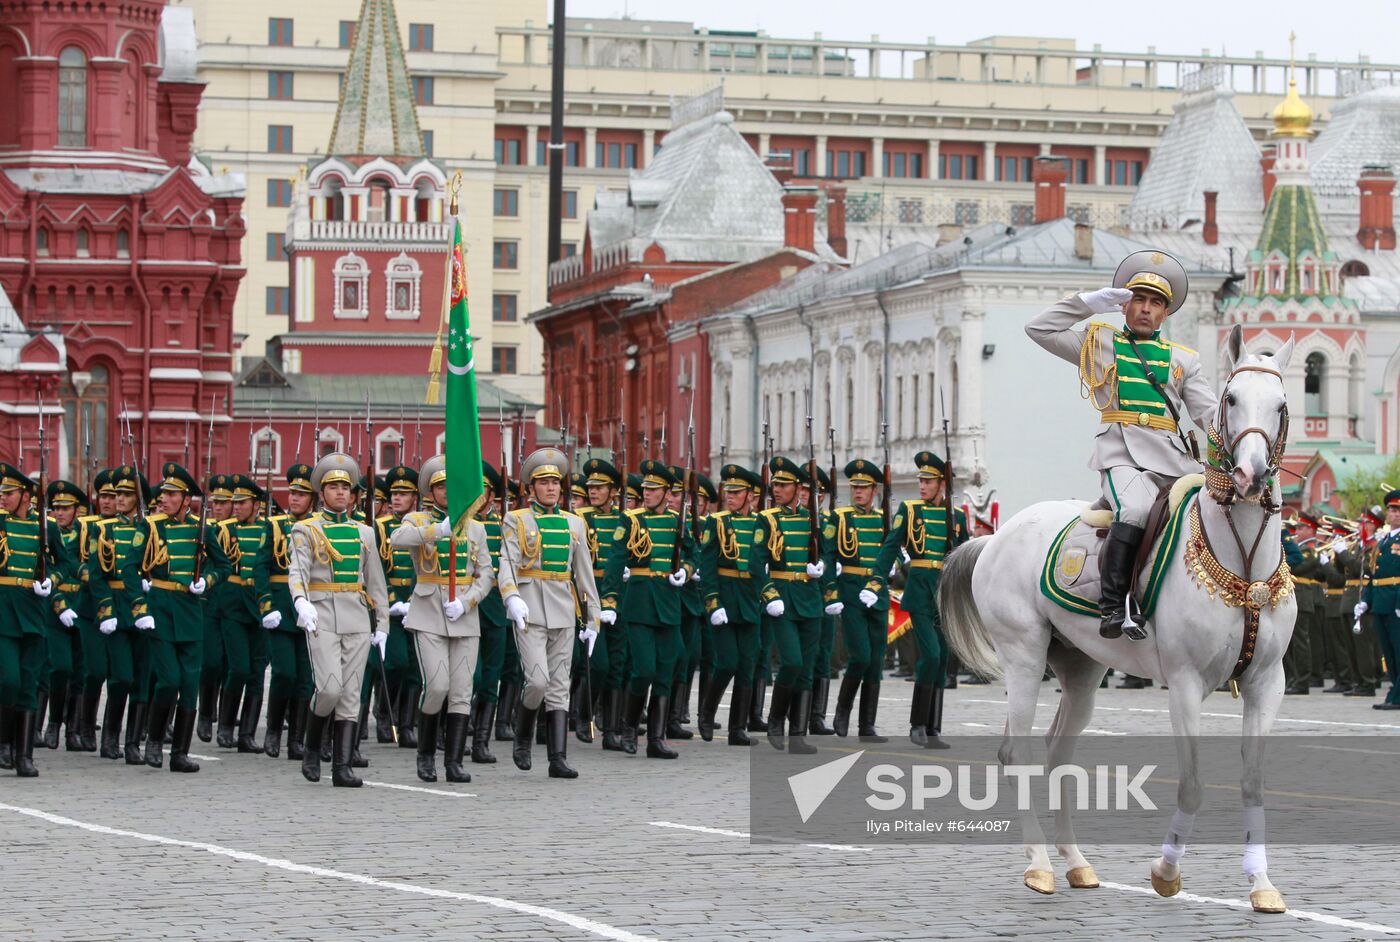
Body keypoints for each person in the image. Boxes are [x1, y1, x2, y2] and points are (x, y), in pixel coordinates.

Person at [1026, 249, 1217, 641]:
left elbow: (1210, 417)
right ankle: (1113, 605)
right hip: (1122, 455)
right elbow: (1038, 329)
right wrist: (1086, 304)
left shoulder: (1184, 360)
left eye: (1156, 303)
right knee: (1133, 509)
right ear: (1124, 305)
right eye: (1139, 300)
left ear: (1166, 313)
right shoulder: (1099, 344)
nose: (1146, 309)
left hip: (1173, 460)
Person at [286, 452, 390, 787]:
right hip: (322, 613)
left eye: (346, 487)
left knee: (351, 694)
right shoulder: (305, 529)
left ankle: (342, 766)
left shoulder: (364, 532)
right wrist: (301, 601)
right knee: (329, 688)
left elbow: (376, 583)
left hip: (357, 615)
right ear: (322, 492)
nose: (341, 492)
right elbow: (297, 571)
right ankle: (313, 747)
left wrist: (383, 626)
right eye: (333, 486)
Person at [498, 448, 602, 777]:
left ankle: (557, 758)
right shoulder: (516, 519)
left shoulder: (574, 523)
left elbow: (584, 574)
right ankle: (523, 735)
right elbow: (507, 564)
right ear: (531, 488)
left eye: (555, 482)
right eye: (544, 483)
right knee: (538, 681)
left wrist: (592, 617)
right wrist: (511, 597)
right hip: (528, 608)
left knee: (559, 684)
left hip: (562, 607)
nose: (551, 488)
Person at [131, 462, 233, 771]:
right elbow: (128, 567)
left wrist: (207, 581)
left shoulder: (202, 528)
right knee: (168, 680)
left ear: (187, 499)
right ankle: (153, 740)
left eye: (172, 494)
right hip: (160, 609)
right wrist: (140, 606)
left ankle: (179, 753)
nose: (164, 498)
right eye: (163, 493)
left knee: (189, 683)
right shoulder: (150, 526)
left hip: (190, 612)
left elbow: (223, 565)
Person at [600, 459, 693, 759]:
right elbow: (615, 560)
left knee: (668, 668)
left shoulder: (678, 521)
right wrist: (610, 600)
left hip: (668, 603)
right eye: (646, 489)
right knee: (643, 670)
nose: (647, 493)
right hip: (639, 604)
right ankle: (628, 727)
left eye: (654, 489)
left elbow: (695, 554)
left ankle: (656, 738)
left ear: (668, 493)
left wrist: (687, 571)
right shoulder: (631, 519)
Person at [874, 451, 968, 748]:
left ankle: (933, 728)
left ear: (943, 483)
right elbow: (891, 544)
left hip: (945, 594)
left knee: (940, 660)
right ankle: (917, 725)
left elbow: (963, 556)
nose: (922, 486)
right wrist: (877, 577)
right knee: (931, 655)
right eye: (921, 480)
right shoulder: (910, 509)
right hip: (919, 592)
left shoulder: (958, 517)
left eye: (929, 481)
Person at [751, 457, 834, 755]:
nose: (777, 489)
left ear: (799, 489)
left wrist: (821, 568)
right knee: (792, 662)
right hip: (782, 599)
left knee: (807, 668)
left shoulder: (815, 520)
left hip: (810, 598)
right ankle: (775, 720)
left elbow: (827, 555)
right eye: (775, 484)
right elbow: (754, 561)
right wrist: (768, 593)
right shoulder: (767, 519)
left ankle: (798, 734)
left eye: (783, 485)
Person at [0, 463, 74, 776]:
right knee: (8, 680)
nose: (3, 498)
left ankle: (25, 754)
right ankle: (4, 742)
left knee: (29, 683)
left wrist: (51, 582)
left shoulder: (45, 527)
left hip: (32, 612)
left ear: (27, 496)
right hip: (3, 611)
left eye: (10, 493)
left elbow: (66, 564)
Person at [88, 466, 156, 764]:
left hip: (146, 609)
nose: (119, 499)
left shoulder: (152, 528)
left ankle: (132, 744)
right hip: (117, 607)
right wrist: (105, 611)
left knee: (143, 677)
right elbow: (95, 575)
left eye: (127, 494)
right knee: (122, 676)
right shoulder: (103, 530)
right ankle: (110, 736)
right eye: (117, 494)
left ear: (139, 499)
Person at [825, 458, 891, 742]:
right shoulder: (839, 518)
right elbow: (828, 556)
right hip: (851, 593)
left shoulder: (883, 519)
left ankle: (867, 725)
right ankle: (842, 710)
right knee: (860, 656)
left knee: (875, 662)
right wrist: (832, 590)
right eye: (854, 487)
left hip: (877, 595)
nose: (858, 492)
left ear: (874, 490)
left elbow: (894, 550)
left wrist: (898, 562)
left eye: (864, 487)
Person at [255, 463, 318, 759]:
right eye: (292, 492)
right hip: (281, 607)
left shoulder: (319, 527)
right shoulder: (274, 525)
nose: (294, 499)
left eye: (302, 494)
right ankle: (273, 729)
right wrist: (266, 605)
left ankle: (297, 739)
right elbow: (260, 567)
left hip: (311, 610)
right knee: (284, 673)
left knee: (306, 677)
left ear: (312, 499)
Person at [698, 463, 763, 745]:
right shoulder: (717, 522)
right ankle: (707, 712)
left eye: (737, 492)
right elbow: (707, 564)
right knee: (727, 662)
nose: (731, 496)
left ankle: (738, 728)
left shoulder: (762, 522)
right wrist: (713, 602)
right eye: (729, 492)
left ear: (750, 494)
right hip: (724, 598)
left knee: (747, 665)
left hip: (750, 599)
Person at [577, 457, 625, 748]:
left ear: (613, 491)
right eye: (590, 486)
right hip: (589, 595)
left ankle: (612, 730)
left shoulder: (625, 519)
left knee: (618, 663)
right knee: (598, 664)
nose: (592, 491)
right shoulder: (580, 518)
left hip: (619, 596)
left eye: (600, 487)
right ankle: (584, 715)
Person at [1360, 490, 1400, 710]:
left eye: (1399, 510)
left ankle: (1397, 695)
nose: (1395, 514)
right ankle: (1395, 690)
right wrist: (1366, 600)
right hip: (1381, 603)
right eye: (1392, 510)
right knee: (1389, 651)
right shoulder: (1383, 541)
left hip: (1396, 602)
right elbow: (1374, 575)